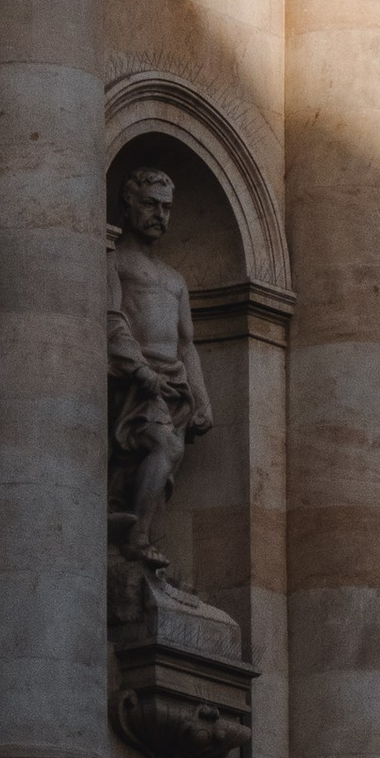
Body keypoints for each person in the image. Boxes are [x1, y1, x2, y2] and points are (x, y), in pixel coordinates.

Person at [108, 164, 213, 572]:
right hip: (137, 379)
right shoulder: (115, 261)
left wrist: (201, 397)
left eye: (166, 208)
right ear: (128, 204)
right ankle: (135, 538)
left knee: (166, 463)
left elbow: (187, 344)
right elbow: (113, 320)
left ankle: (146, 538)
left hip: (173, 385)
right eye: (151, 204)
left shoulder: (175, 279)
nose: (160, 215)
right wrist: (138, 370)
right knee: (164, 448)